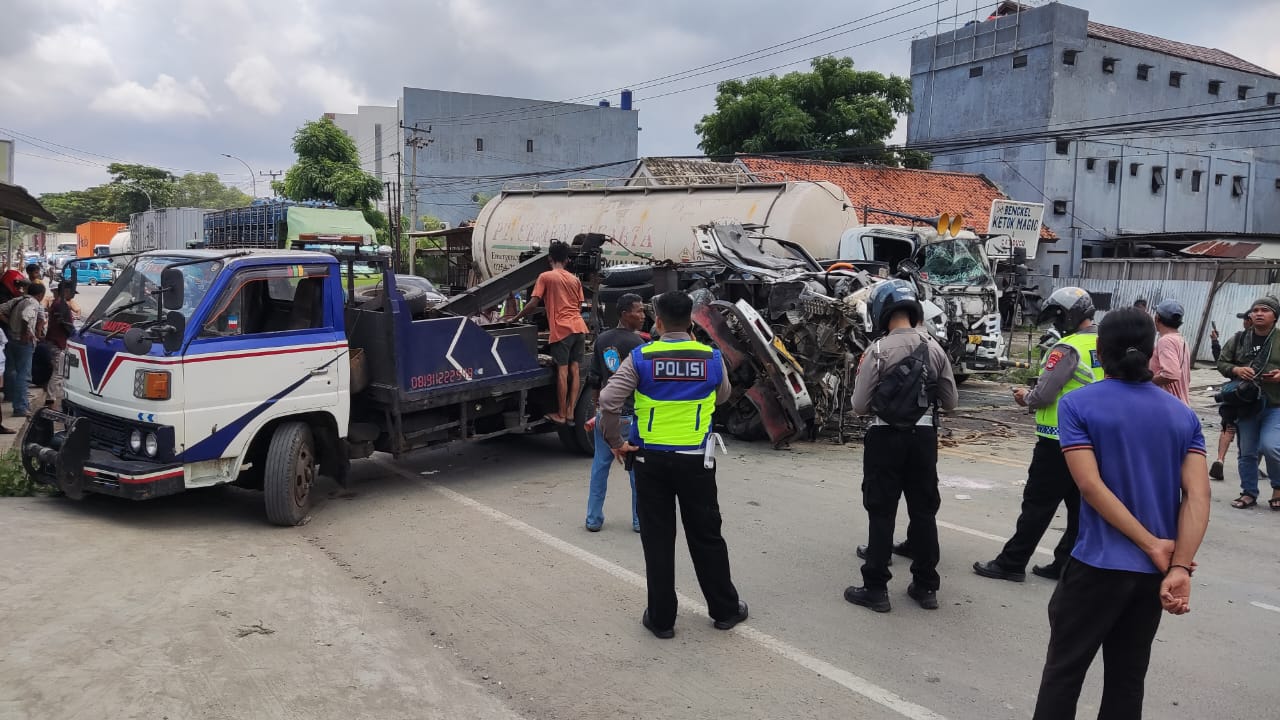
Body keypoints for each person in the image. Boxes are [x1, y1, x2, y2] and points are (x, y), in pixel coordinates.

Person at [1030, 307, 1210, 720]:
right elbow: (1198, 498)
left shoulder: (1078, 405)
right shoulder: (1182, 415)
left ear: (1100, 350)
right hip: (1153, 575)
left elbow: (1091, 487)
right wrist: (1178, 564)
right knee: (1127, 681)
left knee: (1064, 674)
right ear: (1151, 353)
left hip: (1096, 566)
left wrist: (1150, 544)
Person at [599, 291, 748, 639]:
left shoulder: (641, 358)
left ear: (658, 322)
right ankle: (725, 610)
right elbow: (723, 395)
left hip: (650, 461)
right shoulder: (711, 358)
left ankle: (662, 619)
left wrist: (616, 443)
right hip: (697, 462)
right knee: (707, 536)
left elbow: (608, 401)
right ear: (692, 323)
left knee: (658, 540)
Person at [844, 280, 958, 613]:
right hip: (923, 440)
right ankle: (925, 587)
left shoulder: (877, 351)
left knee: (881, 513)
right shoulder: (935, 348)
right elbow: (950, 402)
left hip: (884, 438)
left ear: (882, 311)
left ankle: (875, 589)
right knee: (924, 512)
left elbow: (860, 406)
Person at [975, 287, 1102, 583]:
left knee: (1037, 505)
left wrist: (1025, 396)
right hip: (1092, 442)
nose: (1055, 325)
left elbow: (1044, 394)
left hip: (1058, 441)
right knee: (1079, 509)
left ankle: (1012, 563)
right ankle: (1065, 564)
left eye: (1057, 318)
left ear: (1069, 315)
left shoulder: (1068, 348)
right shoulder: (1105, 344)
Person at [583, 292, 647, 533]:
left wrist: (598, 410)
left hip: (605, 415)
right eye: (638, 311)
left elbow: (595, 380)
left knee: (600, 467)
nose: (642, 315)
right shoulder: (639, 345)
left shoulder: (603, 339)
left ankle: (593, 519)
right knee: (635, 471)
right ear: (624, 314)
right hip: (630, 416)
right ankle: (640, 520)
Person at [506, 240, 589, 425]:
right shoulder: (575, 279)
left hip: (562, 329)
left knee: (562, 370)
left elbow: (533, 303)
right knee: (575, 369)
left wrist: (515, 319)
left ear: (549, 258)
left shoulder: (546, 277)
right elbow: (579, 306)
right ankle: (570, 413)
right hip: (580, 327)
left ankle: (560, 413)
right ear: (567, 260)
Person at [1216, 296, 1280, 510]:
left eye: (1265, 310)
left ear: (1275, 316)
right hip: (1247, 404)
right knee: (1247, 451)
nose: (1259, 313)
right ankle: (1249, 492)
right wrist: (1236, 370)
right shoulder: (1240, 339)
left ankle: (1278, 488)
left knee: (1271, 447)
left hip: (1275, 405)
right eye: (1256, 310)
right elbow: (1222, 362)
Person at [1209, 312, 1251, 481]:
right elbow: (1222, 362)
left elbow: (1221, 361)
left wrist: (1215, 343)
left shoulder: (1240, 339)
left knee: (1228, 427)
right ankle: (1249, 462)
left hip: (1236, 390)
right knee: (1245, 429)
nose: (1243, 322)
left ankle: (1220, 459)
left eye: (1244, 319)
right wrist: (1215, 342)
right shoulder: (1239, 339)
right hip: (1248, 392)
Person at [1, 283, 47, 419]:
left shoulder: (18, 300)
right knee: (24, 375)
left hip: (11, 339)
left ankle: (10, 395)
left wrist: (9, 322)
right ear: (40, 294)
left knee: (10, 369)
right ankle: (20, 407)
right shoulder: (34, 303)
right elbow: (26, 317)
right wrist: (24, 334)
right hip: (23, 342)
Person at [44, 280, 77, 411]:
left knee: (57, 370)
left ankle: (52, 397)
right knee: (58, 372)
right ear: (66, 291)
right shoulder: (61, 305)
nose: (73, 296)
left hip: (54, 340)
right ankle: (50, 399)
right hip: (57, 342)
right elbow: (67, 325)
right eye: (72, 293)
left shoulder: (58, 303)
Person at [1150, 299, 1191, 404]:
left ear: (1157, 318)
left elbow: (1171, 374)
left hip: (1169, 404)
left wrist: (1147, 382)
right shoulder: (1181, 340)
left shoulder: (1166, 341)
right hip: (1180, 403)